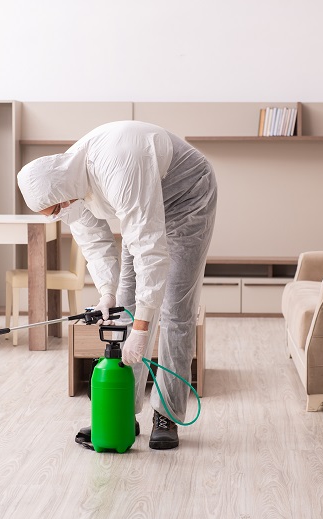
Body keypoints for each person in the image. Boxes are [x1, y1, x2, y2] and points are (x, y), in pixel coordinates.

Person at [17, 120, 217, 450]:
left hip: (188, 198)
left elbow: (151, 252)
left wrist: (141, 331)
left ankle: (166, 414)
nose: (58, 214)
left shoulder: (119, 168)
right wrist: (107, 293)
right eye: (52, 212)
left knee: (175, 310)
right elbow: (95, 243)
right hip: (141, 207)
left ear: (61, 195)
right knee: (125, 305)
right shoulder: (65, 183)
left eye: (56, 209)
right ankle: (122, 411)